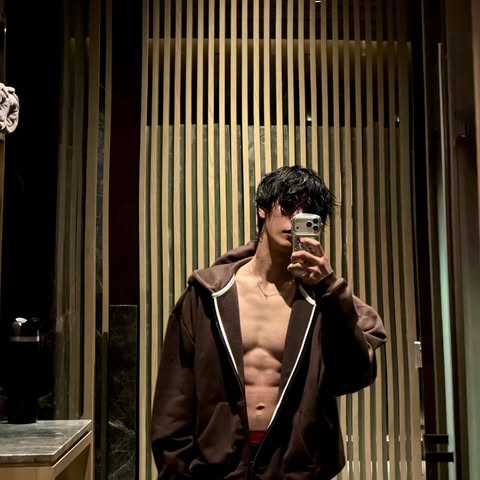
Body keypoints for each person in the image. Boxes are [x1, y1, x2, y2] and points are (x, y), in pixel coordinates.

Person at [151, 166, 387, 479]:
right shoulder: (208, 296)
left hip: (296, 469)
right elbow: (174, 399)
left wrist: (328, 286)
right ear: (263, 209)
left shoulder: (326, 303)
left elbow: (352, 376)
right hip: (218, 468)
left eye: (309, 213)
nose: (296, 218)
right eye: (288, 206)